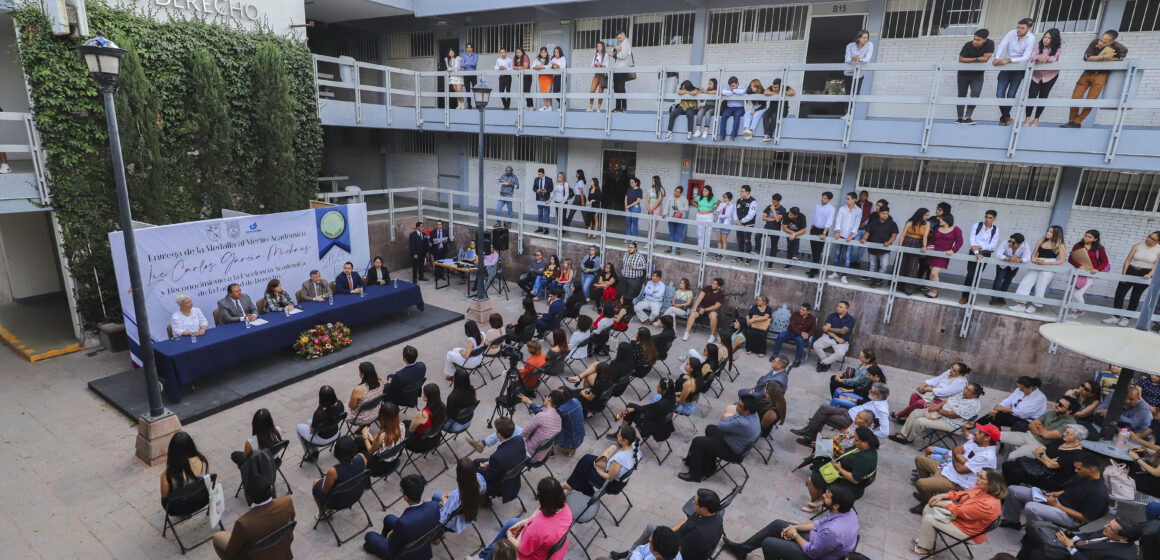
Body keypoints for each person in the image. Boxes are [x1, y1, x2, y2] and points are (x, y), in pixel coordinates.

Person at [723, 485, 859, 560]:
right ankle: (742, 549)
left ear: (836, 505)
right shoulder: (848, 511)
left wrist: (794, 535)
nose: (823, 495)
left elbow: (812, 552)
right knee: (777, 524)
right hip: (818, 540)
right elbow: (819, 524)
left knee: (769, 543)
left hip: (816, 555)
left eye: (828, 496)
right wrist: (795, 527)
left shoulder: (834, 531)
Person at [212, 449, 296, 560]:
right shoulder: (287, 502)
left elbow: (230, 553)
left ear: (248, 496)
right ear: (271, 488)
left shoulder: (243, 524)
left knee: (217, 537)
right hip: (283, 554)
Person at [999, 452, 1108, 531]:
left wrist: (1057, 506)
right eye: (1076, 468)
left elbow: (1086, 518)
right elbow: (1070, 489)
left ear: (1092, 470)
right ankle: (1011, 521)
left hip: (1069, 516)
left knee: (1031, 507)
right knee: (1013, 489)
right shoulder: (1081, 475)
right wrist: (1055, 494)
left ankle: (1035, 535)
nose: (1075, 471)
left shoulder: (1098, 492)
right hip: (1058, 501)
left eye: (1079, 469)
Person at [911, 468, 1006, 556]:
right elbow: (961, 494)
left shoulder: (989, 504)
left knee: (929, 519)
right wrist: (944, 496)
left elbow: (961, 511)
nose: (977, 478)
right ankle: (927, 541)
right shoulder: (981, 489)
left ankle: (926, 549)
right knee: (929, 507)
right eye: (978, 475)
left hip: (968, 531)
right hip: (961, 520)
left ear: (991, 484)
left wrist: (942, 504)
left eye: (981, 477)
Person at [472, 477, 572, 560]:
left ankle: (484, 557)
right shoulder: (565, 509)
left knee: (498, 548)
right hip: (546, 546)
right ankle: (482, 556)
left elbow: (523, 549)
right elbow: (537, 520)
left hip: (532, 555)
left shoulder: (538, 526)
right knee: (512, 522)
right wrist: (522, 523)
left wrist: (510, 537)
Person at [910, 423, 999, 512]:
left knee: (921, 483)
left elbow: (960, 469)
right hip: (949, 469)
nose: (976, 433)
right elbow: (957, 448)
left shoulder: (986, 456)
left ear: (987, 438)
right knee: (920, 459)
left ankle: (927, 506)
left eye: (980, 432)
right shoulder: (978, 444)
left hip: (957, 482)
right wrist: (958, 455)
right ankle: (926, 494)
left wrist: (954, 455)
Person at [678, 394, 760, 482]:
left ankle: (695, 475)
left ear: (746, 411)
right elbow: (733, 419)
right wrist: (732, 418)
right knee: (710, 428)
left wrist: (728, 419)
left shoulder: (743, 423)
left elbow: (721, 425)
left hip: (732, 450)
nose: (737, 406)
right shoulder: (754, 414)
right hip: (736, 442)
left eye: (739, 405)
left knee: (697, 442)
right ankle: (708, 466)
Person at [1061, 29, 1128, 128]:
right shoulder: (1094, 42)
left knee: (1091, 99)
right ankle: (1071, 120)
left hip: (1101, 76)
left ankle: (1077, 121)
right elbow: (1088, 58)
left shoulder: (1117, 47)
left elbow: (1121, 58)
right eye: (1101, 39)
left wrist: (1111, 58)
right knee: (1076, 97)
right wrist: (1104, 57)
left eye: (1104, 42)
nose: (1100, 43)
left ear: (1112, 42)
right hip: (1087, 73)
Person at [363, 474, 440, 559]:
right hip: (422, 546)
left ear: (405, 497)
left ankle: (381, 550)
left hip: (403, 554)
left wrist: (391, 537)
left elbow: (392, 549)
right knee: (389, 518)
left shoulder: (403, 522)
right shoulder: (434, 506)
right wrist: (395, 532)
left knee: (369, 536)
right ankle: (381, 542)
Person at [792, 382, 890, 447]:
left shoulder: (882, 410)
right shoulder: (875, 400)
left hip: (851, 421)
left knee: (824, 417)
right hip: (848, 412)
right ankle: (809, 432)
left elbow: (885, 431)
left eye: (871, 391)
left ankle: (811, 438)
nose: (869, 392)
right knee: (823, 408)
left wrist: (866, 433)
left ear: (879, 396)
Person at [609, 504, 716, 560]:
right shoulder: (671, 551)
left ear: (657, 554)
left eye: (650, 542)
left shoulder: (698, 535)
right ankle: (628, 553)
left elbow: (641, 550)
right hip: (671, 539)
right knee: (651, 527)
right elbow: (641, 550)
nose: (648, 541)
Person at [891, 383, 984, 444]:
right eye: (966, 388)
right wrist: (937, 406)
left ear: (975, 395)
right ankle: (903, 435)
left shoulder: (973, 405)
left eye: (968, 390)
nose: (965, 391)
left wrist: (936, 409)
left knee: (920, 421)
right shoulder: (962, 394)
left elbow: (952, 415)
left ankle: (908, 439)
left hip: (950, 423)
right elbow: (947, 401)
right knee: (916, 413)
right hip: (941, 413)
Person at [1002, 424, 1087, 491]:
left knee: (1016, 471)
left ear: (1078, 439)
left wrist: (1042, 455)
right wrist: (1046, 459)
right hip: (1039, 466)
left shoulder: (1076, 454)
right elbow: (1037, 450)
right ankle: (1007, 487)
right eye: (1065, 432)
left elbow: (1051, 466)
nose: (1064, 434)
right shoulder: (1062, 441)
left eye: (1068, 434)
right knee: (1007, 465)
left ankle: (1004, 492)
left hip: (1050, 477)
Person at [996, 396, 1079, 461]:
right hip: (1028, 435)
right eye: (1057, 402)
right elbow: (1032, 424)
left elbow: (1046, 435)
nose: (1056, 404)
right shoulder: (1051, 412)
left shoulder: (1070, 424)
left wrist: (1039, 425)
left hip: (1039, 445)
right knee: (994, 436)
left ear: (1068, 411)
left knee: (1012, 456)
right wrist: (1041, 431)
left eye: (1060, 405)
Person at [565, 425, 641, 496]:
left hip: (612, 485)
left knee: (584, 472)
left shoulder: (619, 459)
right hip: (619, 477)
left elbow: (609, 478)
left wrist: (598, 469)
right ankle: (570, 485)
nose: (617, 435)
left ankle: (580, 490)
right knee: (587, 458)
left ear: (625, 441)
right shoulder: (635, 445)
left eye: (619, 434)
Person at [1018, 517, 1142, 560]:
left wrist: (1070, 547)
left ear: (1123, 538)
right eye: (1109, 522)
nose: (1106, 526)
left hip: (1075, 555)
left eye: (1111, 527)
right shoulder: (1109, 531)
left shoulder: (1123, 557)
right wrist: (1069, 536)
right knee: (1033, 537)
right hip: (1074, 547)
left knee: (1037, 553)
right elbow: (1087, 536)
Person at [1106, 231, 1160, 326]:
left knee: (1135, 296)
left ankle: (1127, 318)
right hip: (1131, 270)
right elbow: (1128, 260)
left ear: (1158, 242)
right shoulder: (1137, 246)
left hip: (1145, 273)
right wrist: (1124, 274)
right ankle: (1115, 316)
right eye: (1149, 236)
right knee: (1120, 294)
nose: (1148, 239)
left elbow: (1157, 265)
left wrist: (1150, 274)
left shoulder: (1158, 250)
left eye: (1153, 239)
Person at [1010, 225, 1067, 313]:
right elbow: (1034, 253)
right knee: (1026, 281)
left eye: (1051, 231)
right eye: (1048, 230)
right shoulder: (1041, 240)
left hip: (1049, 265)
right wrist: (1033, 259)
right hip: (1037, 262)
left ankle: (1034, 305)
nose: (1048, 233)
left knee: (1041, 285)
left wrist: (1047, 263)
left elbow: (1061, 261)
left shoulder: (1060, 245)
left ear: (1056, 234)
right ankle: (1021, 304)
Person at [993, 18, 1037, 126]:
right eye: (1019, 27)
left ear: (1029, 28)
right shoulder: (1011, 33)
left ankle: (1004, 118)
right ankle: (1006, 116)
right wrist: (997, 58)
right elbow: (1002, 45)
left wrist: (1008, 60)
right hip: (1006, 67)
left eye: (1023, 28)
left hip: (1018, 68)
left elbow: (1026, 57)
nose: (1019, 30)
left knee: (1011, 94)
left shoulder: (1031, 38)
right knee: (999, 94)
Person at [893, 362, 970, 421]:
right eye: (951, 368)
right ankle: (908, 417)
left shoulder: (960, 382)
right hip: (933, 395)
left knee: (920, 402)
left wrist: (929, 389)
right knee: (914, 395)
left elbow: (944, 392)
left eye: (954, 371)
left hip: (944, 401)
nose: (951, 371)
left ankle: (901, 414)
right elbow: (937, 380)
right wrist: (924, 384)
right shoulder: (949, 372)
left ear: (960, 374)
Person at [476, 416, 526, 505]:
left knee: (475, 467)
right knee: (475, 462)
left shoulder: (497, 458)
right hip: (513, 477)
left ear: (498, 434)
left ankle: (483, 497)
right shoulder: (519, 440)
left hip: (500, 484)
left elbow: (489, 475)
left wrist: (482, 467)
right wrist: (491, 463)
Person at [311, 436, 367, 515]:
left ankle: (322, 512)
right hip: (357, 493)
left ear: (337, 453)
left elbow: (324, 491)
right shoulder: (362, 457)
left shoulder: (334, 471)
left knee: (316, 482)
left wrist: (325, 480)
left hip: (339, 502)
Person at [1067, 229, 1111, 321]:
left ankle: (1082, 309)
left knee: (1078, 294)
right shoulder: (1078, 245)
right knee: (1073, 294)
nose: (1086, 238)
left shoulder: (1100, 248)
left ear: (1095, 239)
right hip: (1079, 273)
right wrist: (1079, 266)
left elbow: (1105, 262)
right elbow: (1071, 258)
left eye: (1089, 237)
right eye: (1085, 235)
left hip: (1090, 274)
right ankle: (1074, 313)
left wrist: (1097, 269)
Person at [959, 210, 1001, 305]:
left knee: (977, 275)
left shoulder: (996, 229)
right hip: (973, 253)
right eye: (986, 217)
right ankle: (965, 296)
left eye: (990, 218)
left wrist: (980, 247)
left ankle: (972, 296)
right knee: (970, 274)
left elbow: (992, 245)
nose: (987, 219)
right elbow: (971, 240)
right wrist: (976, 252)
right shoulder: (976, 225)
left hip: (986, 254)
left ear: (994, 219)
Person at [1024, 28, 1062, 128]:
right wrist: (1038, 57)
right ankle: (1027, 118)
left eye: (1049, 38)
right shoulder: (1038, 45)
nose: (1046, 39)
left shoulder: (1058, 47)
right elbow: (1031, 57)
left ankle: (1036, 119)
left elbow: (1055, 58)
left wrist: (1047, 58)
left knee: (1043, 96)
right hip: (1036, 75)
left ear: (1054, 40)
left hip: (1050, 76)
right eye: (1045, 37)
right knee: (1031, 95)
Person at [160, 431, 209, 508]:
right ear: (192, 445)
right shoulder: (204, 460)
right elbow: (206, 478)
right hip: (202, 500)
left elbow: (164, 495)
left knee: (164, 500)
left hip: (180, 509)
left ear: (172, 451)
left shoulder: (167, 475)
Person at [437, 458, 486, 534]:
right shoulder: (480, 478)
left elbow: (442, 519)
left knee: (436, 497)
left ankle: (438, 534)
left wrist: (444, 502)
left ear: (459, 474)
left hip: (454, 525)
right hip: (471, 516)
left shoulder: (455, 496)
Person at [297, 385, 346, 461]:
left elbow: (312, 431)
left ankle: (310, 454)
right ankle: (314, 451)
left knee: (299, 427)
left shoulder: (319, 413)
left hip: (322, 439)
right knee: (307, 421)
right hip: (335, 433)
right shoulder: (340, 404)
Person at [979, 376, 1048, 429]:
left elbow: (1022, 414)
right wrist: (996, 409)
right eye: (1019, 387)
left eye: (1022, 389)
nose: (1019, 390)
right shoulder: (1019, 390)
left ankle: (976, 424)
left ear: (1030, 388)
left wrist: (1002, 409)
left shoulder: (1040, 398)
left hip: (1028, 422)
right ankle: (996, 439)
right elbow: (1008, 401)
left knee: (997, 416)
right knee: (995, 415)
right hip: (1015, 416)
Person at [956, 29, 994, 124]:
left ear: (984, 40)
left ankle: (967, 117)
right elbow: (961, 59)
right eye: (974, 39)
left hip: (977, 74)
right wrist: (977, 59)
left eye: (978, 40)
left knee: (975, 94)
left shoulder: (990, 44)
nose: (975, 41)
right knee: (961, 95)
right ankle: (960, 118)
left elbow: (985, 59)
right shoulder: (968, 45)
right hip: (963, 74)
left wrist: (970, 60)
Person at [924, 213, 964, 299]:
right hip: (933, 254)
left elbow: (960, 242)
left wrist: (953, 250)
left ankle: (935, 291)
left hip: (943, 255)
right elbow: (931, 241)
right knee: (932, 273)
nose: (939, 220)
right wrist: (928, 247)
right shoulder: (937, 228)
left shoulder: (956, 229)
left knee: (934, 273)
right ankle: (932, 289)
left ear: (947, 220)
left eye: (941, 219)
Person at [812, 301, 855, 373]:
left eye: (840, 307)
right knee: (816, 345)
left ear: (846, 309)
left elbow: (843, 331)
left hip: (842, 341)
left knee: (841, 353)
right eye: (837, 306)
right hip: (829, 337)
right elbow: (825, 329)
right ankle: (826, 362)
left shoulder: (851, 319)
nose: (838, 308)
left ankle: (823, 363)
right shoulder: (832, 315)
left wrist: (828, 328)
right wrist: (836, 337)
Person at [860, 205, 898, 287]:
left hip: (885, 249)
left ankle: (879, 279)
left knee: (884, 266)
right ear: (879, 213)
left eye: (887, 213)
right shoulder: (873, 223)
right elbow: (867, 233)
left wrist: (889, 242)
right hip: (872, 249)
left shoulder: (892, 224)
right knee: (873, 266)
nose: (885, 215)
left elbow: (894, 235)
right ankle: (873, 281)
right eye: (883, 213)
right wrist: (864, 239)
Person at [827, 192, 860, 283]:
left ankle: (844, 276)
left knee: (848, 257)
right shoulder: (842, 209)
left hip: (851, 237)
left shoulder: (858, 210)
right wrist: (837, 231)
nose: (847, 200)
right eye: (846, 198)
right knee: (837, 255)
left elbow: (856, 224)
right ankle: (836, 273)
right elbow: (838, 220)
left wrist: (851, 235)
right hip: (840, 235)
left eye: (848, 199)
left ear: (854, 200)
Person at [681, 278, 725, 344]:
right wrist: (694, 308)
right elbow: (699, 298)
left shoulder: (721, 294)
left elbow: (716, 306)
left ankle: (712, 336)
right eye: (713, 283)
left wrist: (705, 310)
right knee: (693, 314)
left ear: (719, 286)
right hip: (702, 308)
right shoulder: (707, 288)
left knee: (713, 315)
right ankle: (686, 333)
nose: (712, 285)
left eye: (715, 284)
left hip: (711, 310)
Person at [772, 303, 815, 368]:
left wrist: (808, 334)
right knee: (780, 336)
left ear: (808, 311)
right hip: (790, 332)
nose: (801, 311)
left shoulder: (811, 319)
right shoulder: (795, 314)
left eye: (803, 310)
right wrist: (801, 333)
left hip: (800, 336)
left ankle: (798, 360)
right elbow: (792, 326)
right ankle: (774, 355)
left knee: (800, 341)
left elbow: (813, 330)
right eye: (800, 309)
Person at [992, 233, 1031, 304]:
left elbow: (1028, 258)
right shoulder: (1005, 242)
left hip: (1014, 266)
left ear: (1019, 244)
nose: (1010, 243)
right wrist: (1009, 258)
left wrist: (1019, 260)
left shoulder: (1025, 246)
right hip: (1002, 264)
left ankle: (1001, 297)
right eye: (1009, 241)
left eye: (1013, 243)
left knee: (1008, 280)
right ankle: (994, 297)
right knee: (999, 279)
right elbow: (998, 254)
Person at [843, 29, 874, 98]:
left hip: (859, 73)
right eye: (864, 38)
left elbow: (867, 59)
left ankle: (852, 109)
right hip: (848, 73)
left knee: (856, 94)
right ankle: (847, 108)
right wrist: (853, 59)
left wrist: (859, 59)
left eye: (867, 38)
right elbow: (847, 60)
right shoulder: (850, 46)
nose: (866, 39)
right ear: (859, 38)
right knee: (848, 95)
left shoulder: (869, 45)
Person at [733, 185, 758, 261]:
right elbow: (735, 212)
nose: (740, 193)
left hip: (748, 225)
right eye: (740, 191)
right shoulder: (739, 201)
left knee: (747, 240)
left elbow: (751, 214)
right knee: (740, 240)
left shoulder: (753, 201)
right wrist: (737, 220)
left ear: (747, 192)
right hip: (739, 224)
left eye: (742, 191)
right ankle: (740, 257)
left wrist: (742, 221)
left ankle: (748, 256)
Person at [610, 31, 633, 113]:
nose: (619, 39)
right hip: (617, 68)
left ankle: (623, 107)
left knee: (621, 87)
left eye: (620, 37)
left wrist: (614, 55)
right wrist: (614, 49)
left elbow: (623, 55)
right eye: (618, 38)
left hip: (622, 68)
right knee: (616, 88)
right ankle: (618, 107)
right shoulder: (622, 43)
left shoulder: (626, 43)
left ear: (624, 35)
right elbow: (614, 50)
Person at [717, 77, 745, 141]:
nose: (732, 87)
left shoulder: (742, 87)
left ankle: (733, 135)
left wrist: (731, 91)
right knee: (724, 116)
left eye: (733, 86)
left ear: (737, 83)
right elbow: (723, 92)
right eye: (731, 86)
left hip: (739, 108)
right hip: (730, 108)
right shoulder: (728, 87)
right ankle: (722, 135)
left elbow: (741, 92)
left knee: (737, 116)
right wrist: (733, 91)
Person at [665, 186, 690, 253]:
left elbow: (687, 208)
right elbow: (666, 207)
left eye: (678, 192)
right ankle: (670, 248)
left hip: (680, 219)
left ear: (681, 193)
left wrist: (678, 208)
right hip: (671, 218)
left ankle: (678, 249)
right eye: (675, 191)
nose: (676, 193)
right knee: (671, 234)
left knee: (679, 234)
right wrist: (664, 214)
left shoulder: (684, 199)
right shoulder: (670, 198)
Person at [588, 42, 610, 112]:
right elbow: (592, 65)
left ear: (603, 47)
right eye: (597, 46)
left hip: (603, 74)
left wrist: (600, 65)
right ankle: (590, 107)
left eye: (600, 46)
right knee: (592, 90)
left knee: (601, 92)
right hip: (597, 74)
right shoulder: (596, 55)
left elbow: (607, 65)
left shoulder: (606, 55)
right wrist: (594, 66)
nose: (598, 48)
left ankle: (598, 108)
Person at [530, 168, 552, 233]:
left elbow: (552, 188)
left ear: (543, 174)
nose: (539, 176)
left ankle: (546, 229)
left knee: (546, 214)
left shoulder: (549, 179)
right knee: (540, 214)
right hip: (539, 198)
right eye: (538, 174)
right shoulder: (536, 179)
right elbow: (534, 188)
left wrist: (546, 190)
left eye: (540, 174)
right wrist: (537, 190)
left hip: (546, 198)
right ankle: (540, 228)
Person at [531, 47, 552, 111]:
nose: (543, 54)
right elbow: (533, 66)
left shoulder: (550, 58)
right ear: (540, 53)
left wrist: (540, 67)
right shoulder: (537, 59)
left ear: (546, 52)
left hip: (549, 77)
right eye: (542, 52)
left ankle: (550, 107)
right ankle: (545, 106)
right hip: (541, 78)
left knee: (548, 92)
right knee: (543, 92)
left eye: (544, 52)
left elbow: (549, 66)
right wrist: (536, 67)